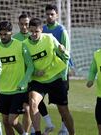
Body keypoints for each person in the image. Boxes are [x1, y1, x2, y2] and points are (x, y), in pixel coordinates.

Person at [23, 18, 75, 135]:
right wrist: (35, 72)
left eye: (36, 31)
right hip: (38, 81)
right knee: (33, 102)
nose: (34, 34)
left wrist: (63, 51)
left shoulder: (50, 38)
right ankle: (37, 132)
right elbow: (27, 65)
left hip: (55, 78)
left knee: (63, 111)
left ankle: (72, 133)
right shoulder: (25, 45)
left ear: (41, 29)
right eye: (31, 31)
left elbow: (66, 56)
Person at [0, 21, 34, 135]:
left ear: (11, 33)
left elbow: (30, 66)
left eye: (5, 34)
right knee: (6, 122)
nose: (3, 36)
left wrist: (23, 82)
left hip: (18, 90)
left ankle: (24, 133)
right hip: (3, 91)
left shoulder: (21, 45)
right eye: (1, 34)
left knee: (12, 120)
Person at [42, 4, 71, 134]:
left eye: (52, 14)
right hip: (46, 73)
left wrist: (64, 75)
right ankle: (45, 124)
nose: (49, 16)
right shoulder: (41, 30)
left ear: (57, 15)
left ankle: (64, 128)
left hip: (60, 73)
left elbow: (67, 54)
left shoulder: (61, 30)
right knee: (34, 99)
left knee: (62, 105)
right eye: (47, 14)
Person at [13, 13, 33, 134]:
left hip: (32, 79)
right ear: (18, 24)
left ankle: (27, 131)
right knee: (13, 113)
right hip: (18, 79)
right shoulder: (14, 39)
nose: (24, 27)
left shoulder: (35, 37)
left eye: (27, 24)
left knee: (27, 109)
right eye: (22, 24)